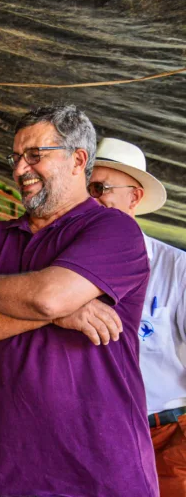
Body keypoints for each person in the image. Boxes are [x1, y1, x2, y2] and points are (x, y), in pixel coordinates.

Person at [0, 105, 157, 496]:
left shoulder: (114, 229)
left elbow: (48, 297)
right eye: (17, 157)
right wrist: (61, 313)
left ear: (78, 159)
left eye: (35, 156)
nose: (20, 169)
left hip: (99, 472)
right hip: (6, 472)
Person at [89, 137, 186, 496]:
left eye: (99, 188)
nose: (89, 199)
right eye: (84, 189)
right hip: (94, 439)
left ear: (134, 198)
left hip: (167, 437)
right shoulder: (60, 269)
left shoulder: (175, 268)